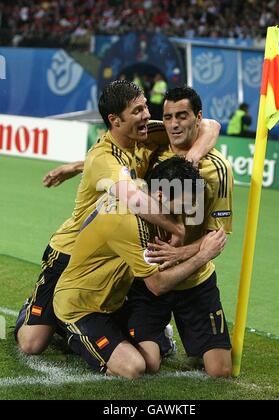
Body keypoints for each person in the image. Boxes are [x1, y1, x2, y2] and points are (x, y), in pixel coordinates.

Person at [15, 81, 220, 355]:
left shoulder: (143, 134)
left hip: (115, 249)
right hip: (71, 252)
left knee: (116, 302)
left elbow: (211, 125)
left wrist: (192, 159)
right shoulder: (104, 157)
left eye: (146, 106)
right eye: (138, 110)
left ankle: (113, 329)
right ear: (115, 120)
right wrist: (176, 228)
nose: (147, 114)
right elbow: (132, 197)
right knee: (32, 343)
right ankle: (42, 314)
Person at [53, 157, 227, 378]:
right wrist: (203, 255)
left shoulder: (143, 193)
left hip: (113, 304)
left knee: (150, 361)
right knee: (133, 367)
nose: (186, 214)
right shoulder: (126, 222)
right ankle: (66, 331)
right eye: (184, 205)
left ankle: (146, 339)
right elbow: (157, 285)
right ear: (162, 196)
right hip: (81, 307)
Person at [126, 86, 233, 378]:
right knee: (147, 364)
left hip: (196, 280)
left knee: (220, 370)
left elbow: (217, 237)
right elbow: (113, 157)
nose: (174, 124)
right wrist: (75, 167)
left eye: (182, 116)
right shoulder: (151, 148)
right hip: (151, 275)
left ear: (198, 117)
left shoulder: (218, 169)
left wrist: (181, 252)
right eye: (169, 116)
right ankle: (162, 338)